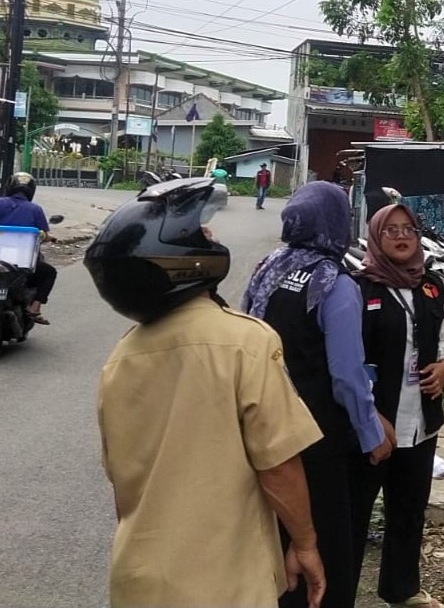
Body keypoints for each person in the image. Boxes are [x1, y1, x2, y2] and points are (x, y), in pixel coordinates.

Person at [83, 178, 327, 608]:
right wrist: (304, 543)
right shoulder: (245, 342)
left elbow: (122, 483)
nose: (210, 237)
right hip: (222, 582)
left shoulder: (120, 359)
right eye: (201, 233)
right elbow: (278, 465)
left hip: (137, 580)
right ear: (180, 260)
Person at [243, 181, 395, 608]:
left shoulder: (266, 268)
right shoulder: (333, 282)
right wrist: (370, 434)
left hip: (263, 427)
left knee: (274, 540)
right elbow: (346, 374)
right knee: (322, 550)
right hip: (316, 439)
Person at [353, 204, 444, 608]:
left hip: (421, 421)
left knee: (409, 509)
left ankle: (402, 589)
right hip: (373, 422)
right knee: (355, 512)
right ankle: (339, 591)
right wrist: (366, 413)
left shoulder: (432, 286)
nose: (401, 237)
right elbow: (348, 359)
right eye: (391, 231)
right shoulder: (360, 287)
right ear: (377, 238)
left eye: (409, 230)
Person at [0, 172, 57, 325]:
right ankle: (35, 308)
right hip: (21, 266)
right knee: (49, 273)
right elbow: (43, 234)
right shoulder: (35, 209)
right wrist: (48, 237)